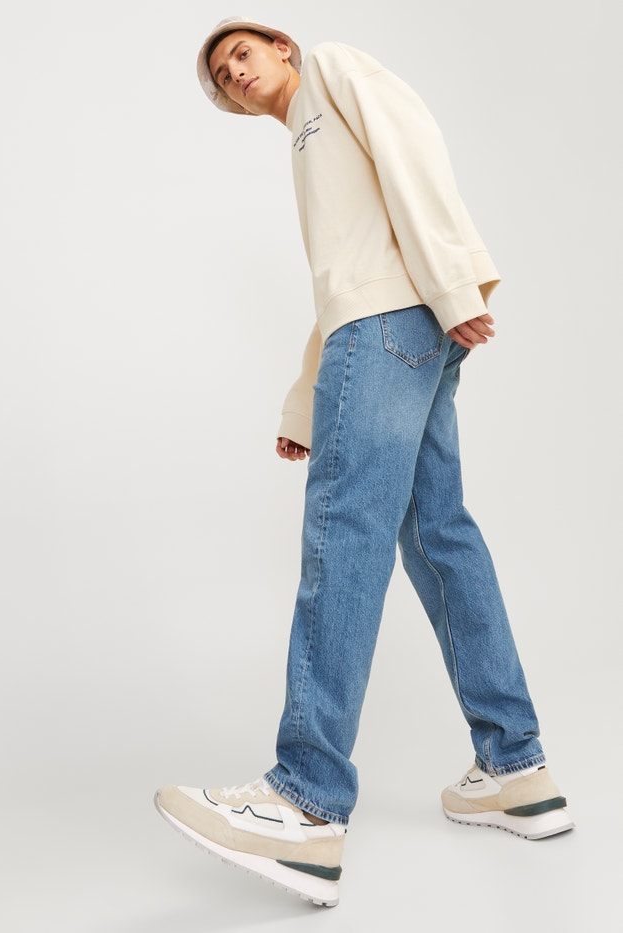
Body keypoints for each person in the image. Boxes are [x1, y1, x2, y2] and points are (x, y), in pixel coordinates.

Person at [154, 16, 574, 908]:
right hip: (394, 329)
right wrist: (306, 400)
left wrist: (453, 281)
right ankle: (515, 767)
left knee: (345, 534)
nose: (233, 74)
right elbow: (347, 270)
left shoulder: (334, 71)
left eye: (241, 54)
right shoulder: (303, 139)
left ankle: (306, 801)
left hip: (392, 327)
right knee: (439, 536)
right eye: (222, 76)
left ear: (283, 47)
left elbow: (411, 152)